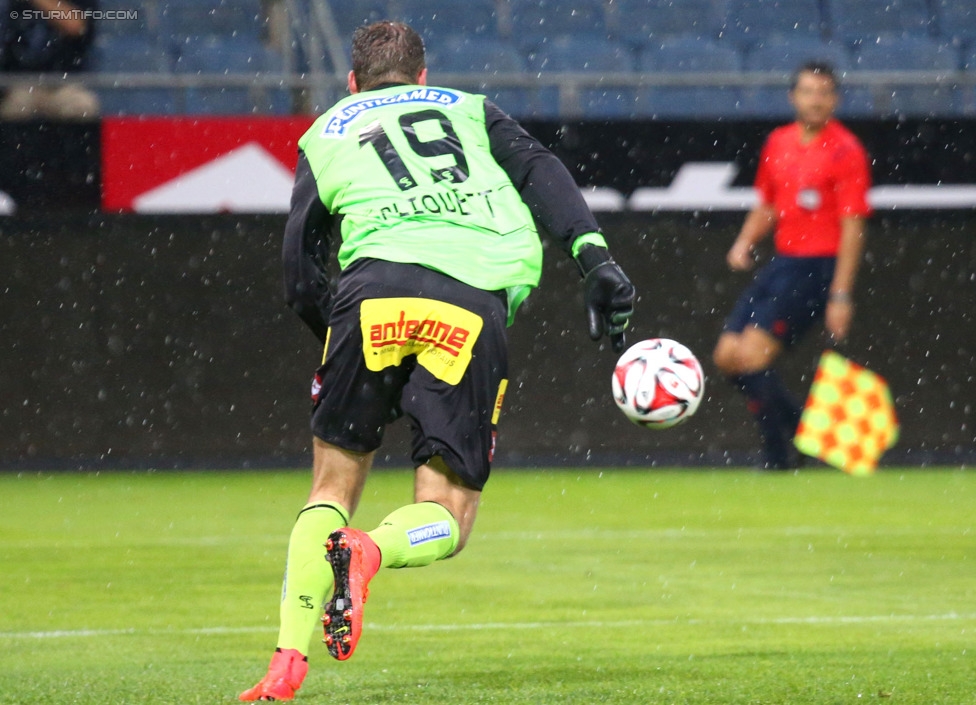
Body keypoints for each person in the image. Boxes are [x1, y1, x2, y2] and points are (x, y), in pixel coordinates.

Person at [240, 21, 635, 702]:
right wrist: (593, 256)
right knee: (448, 512)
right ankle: (372, 551)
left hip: (369, 299)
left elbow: (300, 274)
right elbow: (542, 171)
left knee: (330, 489)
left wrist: (341, 345)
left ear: (353, 83)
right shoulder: (470, 109)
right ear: (423, 78)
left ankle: (285, 664)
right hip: (466, 299)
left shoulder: (328, 129)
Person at [712, 61, 872, 470]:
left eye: (823, 92)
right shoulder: (779, 143)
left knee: (751, 357)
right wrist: (745, 241)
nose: (815, 100)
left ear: (834, 100)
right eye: (807, 91)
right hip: (784, 261)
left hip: (818, 267)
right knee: (727, 355)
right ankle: (804, 436)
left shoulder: (846, 151)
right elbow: (768, 202)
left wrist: (840, 293)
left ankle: (779, 459)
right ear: (793, 97)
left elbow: (853, 225)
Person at [0, 0, 100, 120]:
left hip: (64, 84)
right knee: (16, 105)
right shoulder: (13, 4)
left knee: (81, 105)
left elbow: (75, 25)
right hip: (21, 84)